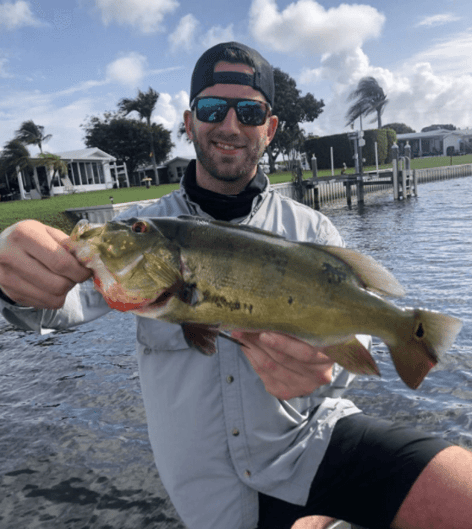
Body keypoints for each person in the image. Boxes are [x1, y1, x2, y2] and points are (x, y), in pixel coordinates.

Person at [0, 41, 471, 529]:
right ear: (189, 122)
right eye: (211, 108)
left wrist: (328, 366)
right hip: (210, 500)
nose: (229, 125)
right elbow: (58, 302)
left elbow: (358, 326)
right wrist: (14, 274)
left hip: (309, 449)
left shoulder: (313, 232)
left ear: (269, 129)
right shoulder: (141, 230)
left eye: (249, 111)